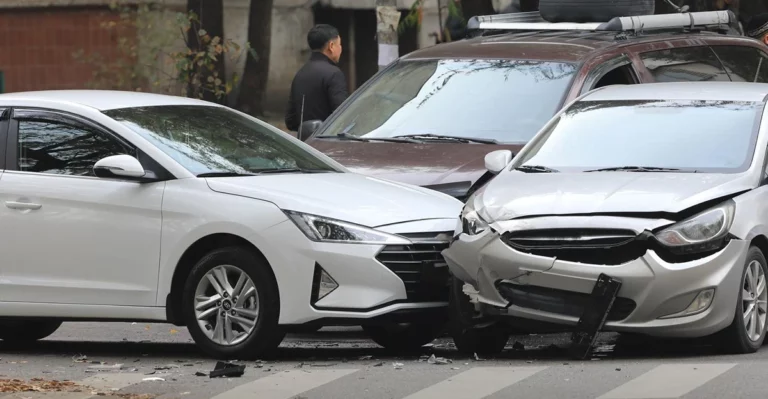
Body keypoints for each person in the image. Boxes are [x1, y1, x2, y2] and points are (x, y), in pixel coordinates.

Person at [285, 24, 348, 132]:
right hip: (327, 143)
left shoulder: (300, 74)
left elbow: (290, 121)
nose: (340, 48)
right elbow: (342, 116)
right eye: (339, 44)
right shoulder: (334, 74)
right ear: (331, 46)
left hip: (304, 143)